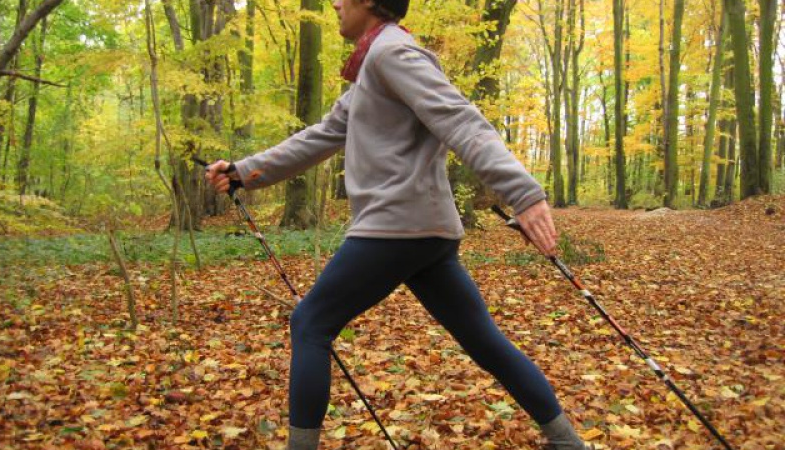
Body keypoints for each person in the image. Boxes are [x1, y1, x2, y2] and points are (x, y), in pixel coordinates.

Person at [206, 1, 590, 448]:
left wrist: (521, 192)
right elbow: (322, 135)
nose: (333, 3)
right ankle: (567, 442)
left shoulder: (394, 53)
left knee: (310, 324)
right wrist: (245, 171)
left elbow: (458, 118)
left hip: (394, 226)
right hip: (425, 233)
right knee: (482, 339)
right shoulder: (375, 65)